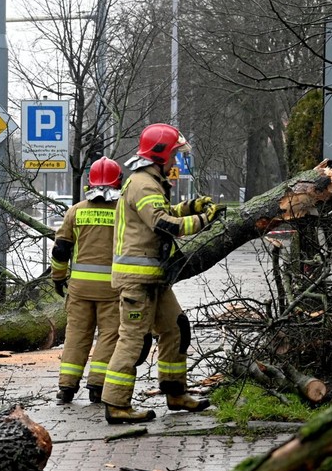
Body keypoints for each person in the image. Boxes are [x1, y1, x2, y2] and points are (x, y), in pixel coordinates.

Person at [102, 123, 224, 424]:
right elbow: (162, 224)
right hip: (138, 281)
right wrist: (203, 219)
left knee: (176, 328)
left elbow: (163, 212)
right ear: (161, 153)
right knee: (132, 340)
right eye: (173, 153)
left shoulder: (151, 180)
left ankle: (175, 392)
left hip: (154, 277)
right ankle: (116, 404)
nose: (175, 160)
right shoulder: (143, 183)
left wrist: (190, 207)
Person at [51, 157, 123, 404]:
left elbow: (60, 250)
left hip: (79, 289)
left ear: (89, 184)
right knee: (109, 335)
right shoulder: (124, 212)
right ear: (118, 182)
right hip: (113, 289)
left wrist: (58, 278)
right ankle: (97, 385)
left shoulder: (76, 211)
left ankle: (66, 387)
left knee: (77, 335)